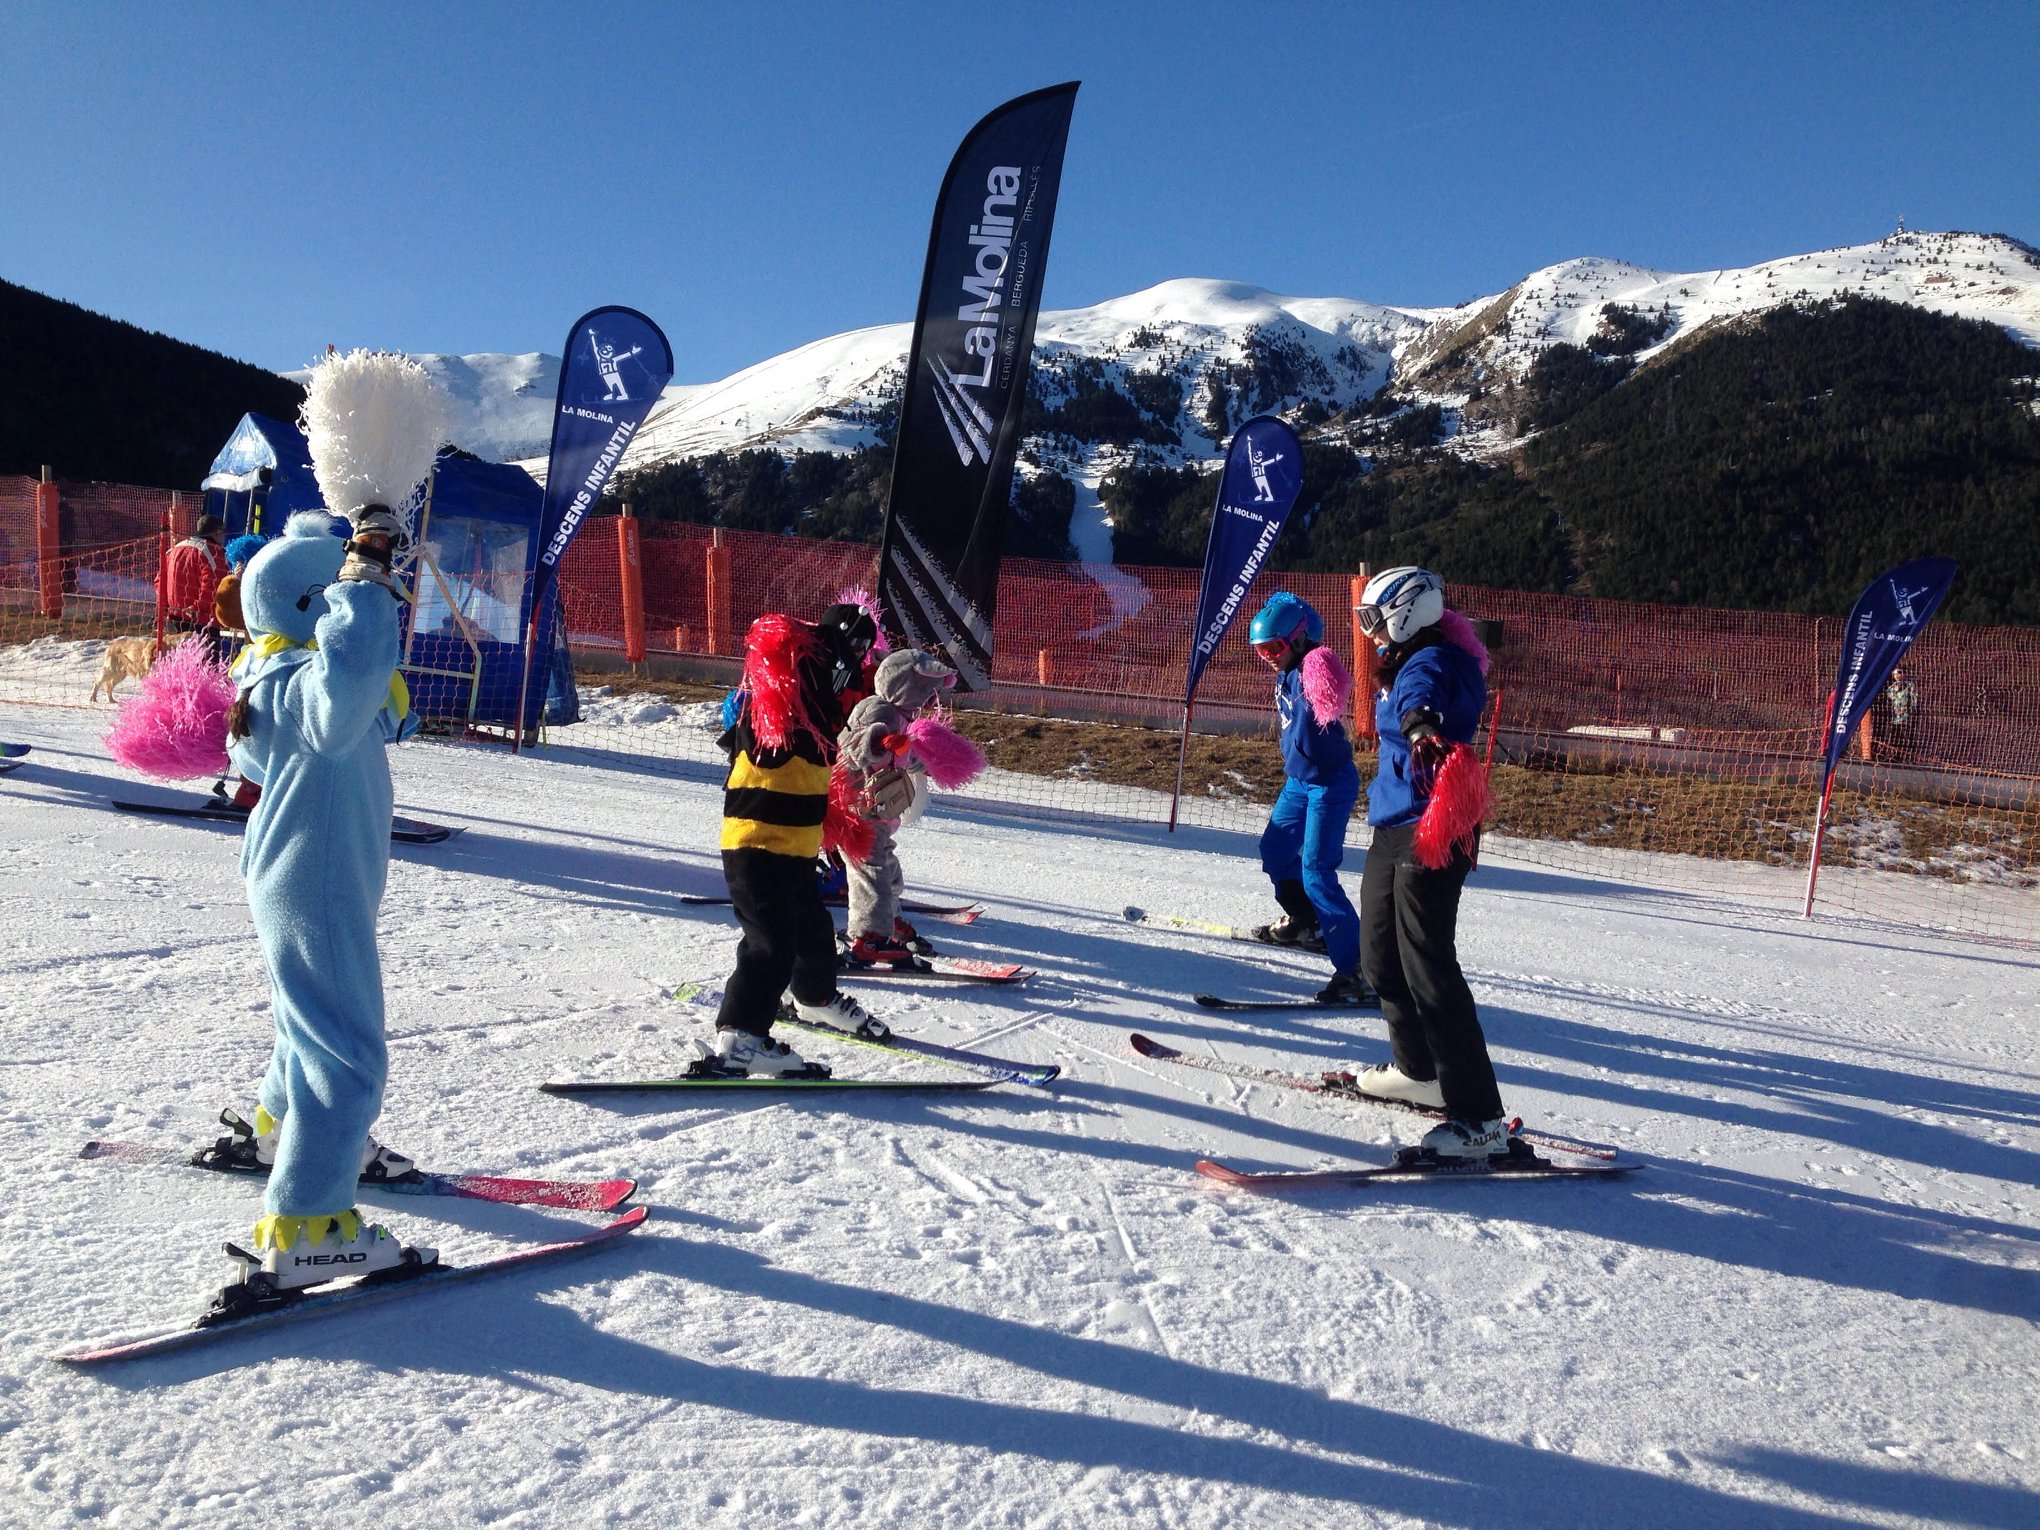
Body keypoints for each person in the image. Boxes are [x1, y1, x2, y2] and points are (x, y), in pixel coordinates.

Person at [211, 348, 448, 1300]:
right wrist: (364, 576)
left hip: (307, 873)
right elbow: (346, 691)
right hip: (312, 877)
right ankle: (308, 1220)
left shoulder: (274, 673)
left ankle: (278, 1124)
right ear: (315, 605)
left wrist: (368, 575)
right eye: (348, 594)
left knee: (306, 1022)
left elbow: (374, 707)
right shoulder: (302, 681)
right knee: (347, 1049)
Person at [1348, 566, 1509, 1160]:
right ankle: (1419, 1072)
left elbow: (1422, 700)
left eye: (1374, 618)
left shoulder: (1434, 660)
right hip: (1395, 822)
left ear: (1407, 610)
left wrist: (1420, 728)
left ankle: (1480, 1117)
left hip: (1434, 827)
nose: (1369, 632)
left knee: (1429, 966)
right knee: (1380, 955)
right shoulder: (1413, 655)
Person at [702, 601, 887, 1075]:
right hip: (757, 850)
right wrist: (812, 652)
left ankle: (814, 997)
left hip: (795, 851)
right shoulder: (775, 719)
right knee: (771, 943)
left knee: (812, 933)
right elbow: (776, 653)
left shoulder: (814, 727)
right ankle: (741, 1038)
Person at [1247, 592, 1373, 1006]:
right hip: (1299, 782)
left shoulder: (1312, 668)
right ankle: (1306, 922)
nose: (1267, 657)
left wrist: (1316, 661)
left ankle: (1357, 971)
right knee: (1275, 849)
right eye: (1260, 650)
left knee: (1317, 871)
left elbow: (1329, 680)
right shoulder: (1285, 669)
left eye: (1274, 648)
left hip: (1329, 785)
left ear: (1300, 640)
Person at [836, 648, 981, 964]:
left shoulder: (900, 717)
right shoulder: (875, 709)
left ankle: (888, 922)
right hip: (858, 807)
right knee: (870, 873)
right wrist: (879, 743)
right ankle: (867, 938)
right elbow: (853, 746)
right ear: (903, 685)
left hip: (880, 809)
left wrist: (921, 763)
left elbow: (902, 755)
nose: (929, 701)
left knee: (887, 870)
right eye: (925, 692)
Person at [209, 533, 270, 811]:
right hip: (264, 667)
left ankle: (251, 792)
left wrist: (237, 578)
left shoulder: (253, 587)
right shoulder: (277, 586)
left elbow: (226, 615)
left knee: (251, 729)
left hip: (259, 670)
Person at [163, 515, 229, 663]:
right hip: (202, 620)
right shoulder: (213, 551)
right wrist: (198, 607)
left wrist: (165, 608)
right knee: (205, 668)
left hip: (175, 617)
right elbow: (212, 585)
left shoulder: (174, 549)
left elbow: (159, 581)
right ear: (217, 532)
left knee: (177, 665)